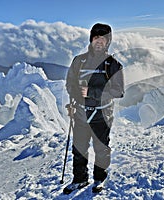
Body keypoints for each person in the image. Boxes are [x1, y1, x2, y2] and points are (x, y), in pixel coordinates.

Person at [63, 23, 124, 194]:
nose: (99, 41)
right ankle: (80, 179)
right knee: (79, 148)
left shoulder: (113, 65)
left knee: (101, 148)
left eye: (103, 39)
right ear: (91, 40)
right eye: (96, 38)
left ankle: (99, 178)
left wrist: (92, 92)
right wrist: (76, 96)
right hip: (81, 114)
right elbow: (70, 83)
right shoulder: (79, 61)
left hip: (102, 115)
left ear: (108, 42)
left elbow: (119, 91)